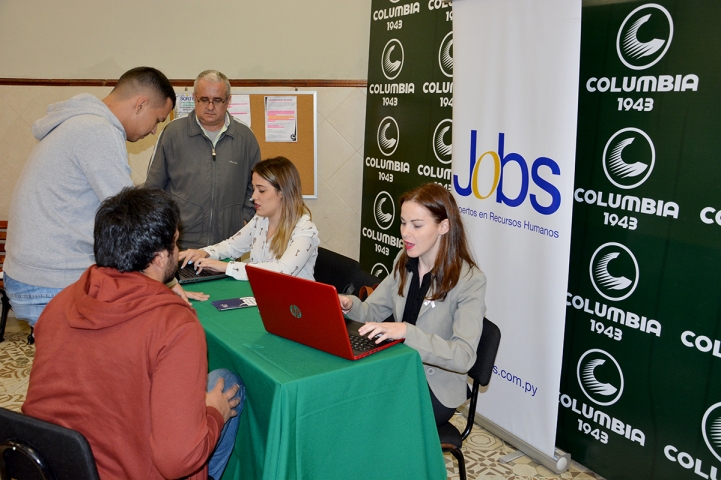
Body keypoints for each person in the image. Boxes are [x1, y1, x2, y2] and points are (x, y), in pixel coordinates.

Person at [22, 187, 245, 480]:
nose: (177, 253)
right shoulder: (175, 326)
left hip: (53, 468)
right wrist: (213, 414)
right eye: (175, 244)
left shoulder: (59, 303)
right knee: (227, 383)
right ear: (158, 258)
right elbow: (177, 461)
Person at [3, 66, 206, 329]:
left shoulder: (78, 123)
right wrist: (168, 281)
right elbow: (134, 219)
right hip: (51, 279)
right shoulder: (96, 130)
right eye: (157, 120)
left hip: (33, 273)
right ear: (141, 104)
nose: (155, 131)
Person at [339, 183, 487, 426]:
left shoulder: (470, 281)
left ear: (444, 226)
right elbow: (372, 311)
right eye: (403, 222)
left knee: (367, 415)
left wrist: (407, 333)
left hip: (434, 387)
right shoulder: (404, 260)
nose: (405, 233)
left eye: (417, 225)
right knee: (343, 396)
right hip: (399, 368)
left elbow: (464, 357)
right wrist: (349, 305)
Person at [146, 69, 261, 250]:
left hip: (228, 246)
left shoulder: (245, 137)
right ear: (194, 98)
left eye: (217, 100)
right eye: (204, 99)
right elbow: (153, 189)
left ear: (228, 101)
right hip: (180, 245)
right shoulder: (172, 133)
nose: (210, 107)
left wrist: (244, 218)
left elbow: (256, 186)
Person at [181, 156, 319, 281]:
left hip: (295, 304)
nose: (253, 197)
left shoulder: (305, 229)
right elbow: (232, 246)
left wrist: (227, 267)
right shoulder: (260, 219)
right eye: (253, 189)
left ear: (282, 192)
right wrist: (204, 252)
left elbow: (283, 271)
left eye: (262, 190)